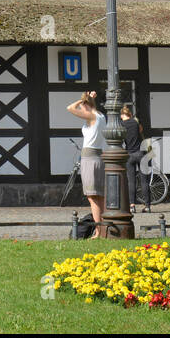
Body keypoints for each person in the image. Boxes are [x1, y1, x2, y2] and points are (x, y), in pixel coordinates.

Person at [66, 89, 106, 236]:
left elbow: (70, 108)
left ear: (86, 105)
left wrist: (81, 100)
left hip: (89, 158)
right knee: (100, 196)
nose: (81, 110)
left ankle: (98, 230)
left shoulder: (91, 116)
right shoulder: (101, 116)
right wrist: (88, 99)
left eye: (82, 106)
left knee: (92, 197)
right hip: (99, 156)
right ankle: (102, 229)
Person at [120, 104, 147, 209]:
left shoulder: (122, 124)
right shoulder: (136, 121)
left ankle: (132, 205)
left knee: (131, 181)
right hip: (140, 153)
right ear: (129, 114)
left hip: (130, 154)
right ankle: (147, 206)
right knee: (144, 180)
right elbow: (140, 131)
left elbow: (121, 139)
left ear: (122, 114)